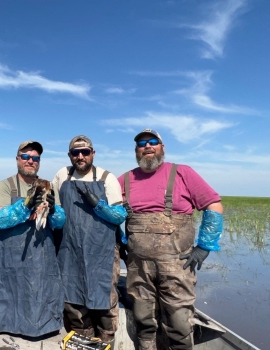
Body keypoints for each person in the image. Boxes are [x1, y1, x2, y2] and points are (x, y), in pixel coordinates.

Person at [118, 128, 224, 350]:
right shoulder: (125, 179)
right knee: (143, 317)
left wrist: (204, 246)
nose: (147, 146)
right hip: (138, 267)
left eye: (153, 141)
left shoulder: (182, 173)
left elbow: (213, 205)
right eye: (142, 143)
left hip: (178, 265)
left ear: (162, 147)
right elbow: (108, 212)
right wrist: (120, 241)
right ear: (136, 150)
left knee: (179, 321)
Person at [52, 135, 127, 347]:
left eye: (85, 152)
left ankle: (105, 342)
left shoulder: (106, 178)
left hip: (101, 251)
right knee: (73, 302)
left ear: (93, 153)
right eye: (75, 153)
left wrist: (98, 205)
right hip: (68, 250)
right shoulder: (61, 176)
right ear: (70, 156)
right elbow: (56, 212)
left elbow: (119, 215)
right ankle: (82, 340)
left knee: (104, 301)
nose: (80, 156)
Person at [0, 140, 66, 337]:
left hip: (42, 257)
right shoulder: (5, 186)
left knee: (43, 294)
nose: (30, 161)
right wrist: (25, 205)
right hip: (13, 258)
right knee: (11, 296)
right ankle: (9, 331)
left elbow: (59, 223)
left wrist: (54, 210)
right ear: (17, 159)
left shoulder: (48, 186)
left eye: (35, 158)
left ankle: (45, 330)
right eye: (25, 156)